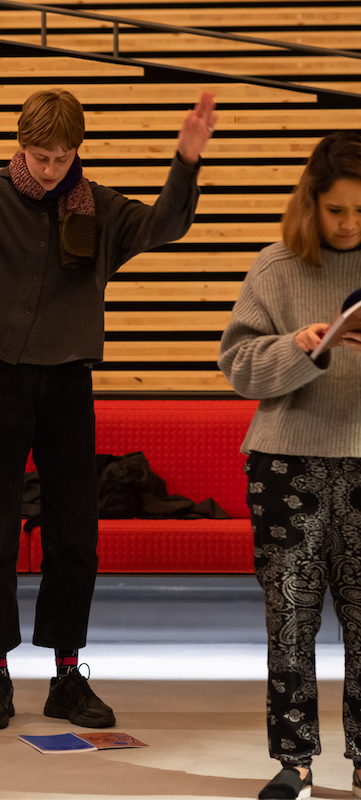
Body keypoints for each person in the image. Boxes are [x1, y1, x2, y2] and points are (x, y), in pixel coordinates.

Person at [0, 28, 216, 731]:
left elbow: (165, 227)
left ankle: (66, 674)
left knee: (74, 534)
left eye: (63, 158)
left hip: (67, 383)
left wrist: (186, 160)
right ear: (19, 146)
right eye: (41, 156)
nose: (53, 170)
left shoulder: (97, 206)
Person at [219, 131, 361, 800]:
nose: (350, 223)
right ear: (311, 204)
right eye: (337, 210)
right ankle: (294, 762)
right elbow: (239, 367)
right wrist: (301, 346)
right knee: (290, 616)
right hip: (286, 462)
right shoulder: (276, 268)